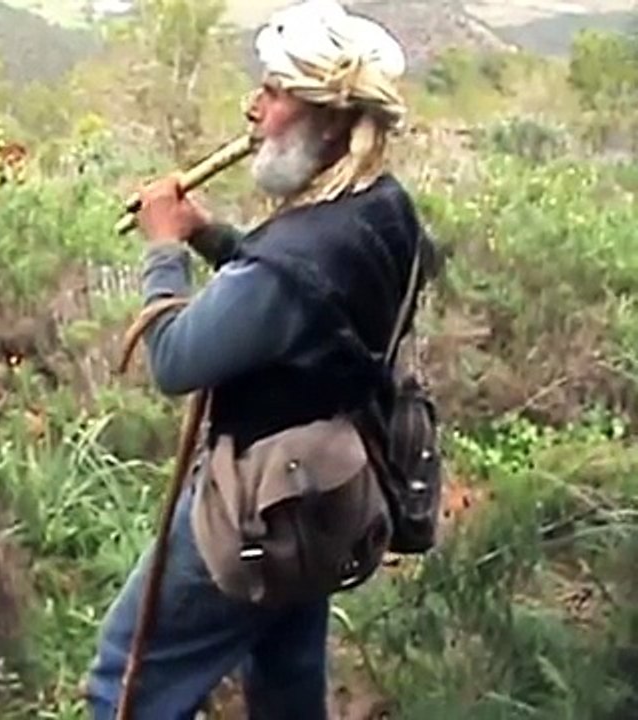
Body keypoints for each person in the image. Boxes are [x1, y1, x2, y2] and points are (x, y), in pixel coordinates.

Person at [85, 1, 435, 718]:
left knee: (126, 675)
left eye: (273, 93)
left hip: (258, 502)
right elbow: (308, 304)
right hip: (328, 493)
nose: (253, 108)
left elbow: (176, 358)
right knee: (284, 675)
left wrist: (161, 250)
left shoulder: (297, 260)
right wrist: (209, 235)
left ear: (329, 120)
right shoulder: (383, 208)